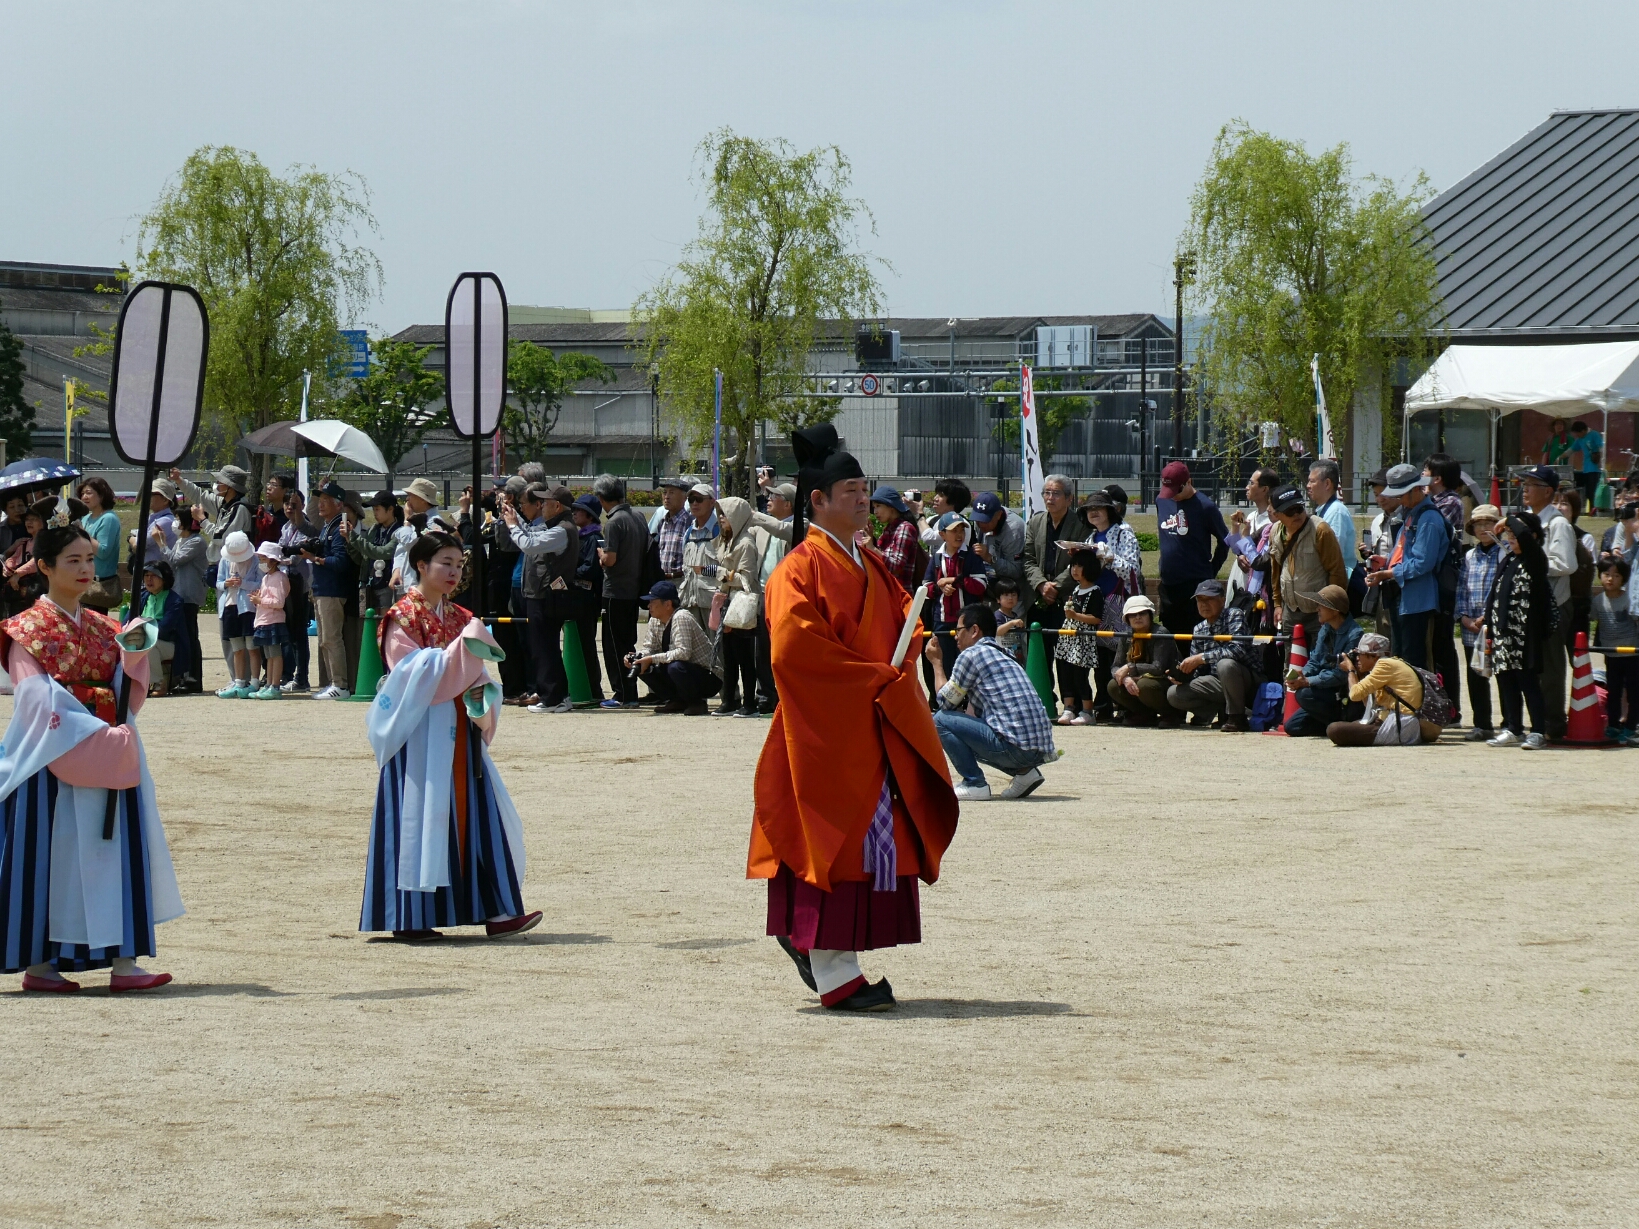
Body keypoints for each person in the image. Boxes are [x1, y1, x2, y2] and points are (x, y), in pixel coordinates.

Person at [752, 423, 959, 1013]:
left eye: (865, 490)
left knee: (872, 844)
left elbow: (902, 619)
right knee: (831, 844)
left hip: (870, 723)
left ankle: (832, 956)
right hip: (824, 729)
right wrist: (872, 677)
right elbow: (795, 652)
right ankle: (834, 970)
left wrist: (911, 641)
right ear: (817, 500)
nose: (864, 500)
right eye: (851, 491)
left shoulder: (869, 559)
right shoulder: (798, 569)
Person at [0, 522, 182, 992]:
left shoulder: (106, 626)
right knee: (52, 858)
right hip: (52, 758)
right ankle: (41, 965)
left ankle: (125, 962)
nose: (85, 570)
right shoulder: (25, 630)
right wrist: (94, 727)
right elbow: (35, 698)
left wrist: (133, 656)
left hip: (105, 746)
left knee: (115, 850)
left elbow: (125, 692)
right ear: (44, 567)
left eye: (89, 559)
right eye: (72, 561)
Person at [361, 531, 540, 942]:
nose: (454, 572)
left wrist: (482, 693)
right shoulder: (402, 617)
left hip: (461, 733)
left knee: (476, 818)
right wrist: (463, 654)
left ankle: (498, 910)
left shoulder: (461, 617)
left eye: (459, 565)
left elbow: (478, 675)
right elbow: (408, 676)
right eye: (445, 563)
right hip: (419, 736)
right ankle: (409, 916)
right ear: (420, 565)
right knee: (419, 817)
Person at [928, 603, 1058, 800]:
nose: (955, 635)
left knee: (940, 720)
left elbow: (945, 703)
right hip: (1038, 749)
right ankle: (1025, 773)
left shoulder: (971, 654)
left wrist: (937, 664)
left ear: (974, 631)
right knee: (962, 724)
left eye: (959, 630)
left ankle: (974, 783)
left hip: (1015, 747)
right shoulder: (1004, 652)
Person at [1365, 463, 1450, 676]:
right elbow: (1403, 553)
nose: (1399, 499)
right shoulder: (1411, 514)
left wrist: (1388, 573)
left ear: (1415, 490)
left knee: (1415, 663)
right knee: (1400, 658)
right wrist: (1384, 561)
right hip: (1402, 599)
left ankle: (1418, 708)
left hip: (1418, 601)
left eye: (1401, 494)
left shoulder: (1429, 519)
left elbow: (1423, 562)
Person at [1068, 488, 1142, 720]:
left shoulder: (1123, 532)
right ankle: (1103, 705)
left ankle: (1126, 706)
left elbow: (1133, 569)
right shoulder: (1090, 538)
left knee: (1121, 654)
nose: (1094, 513)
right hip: (1097, 602)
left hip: (1119, 601)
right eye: (1089, 509)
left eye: (1098, 508)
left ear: (1110, 511)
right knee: (1098, 656)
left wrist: (1108, 556)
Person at [504, 483, 578, 714]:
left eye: (545, 503)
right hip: (546, 595)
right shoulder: (556, 526)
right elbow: (532, 534)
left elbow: (529, 545)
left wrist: (513, 526)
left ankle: (554, 697)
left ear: (557, 506)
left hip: (548, 596)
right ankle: (556, 695)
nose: (541, 506)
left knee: (544, 648)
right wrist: (516, 519)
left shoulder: (562, 530)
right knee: (543, 647)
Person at [1485, 513, 1555, 749]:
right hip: (1503, 635)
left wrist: (1508, 519)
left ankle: (1537, 730)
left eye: (1515, 535)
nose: (1511, 538)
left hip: (1525, 636)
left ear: (1532, 537)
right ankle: (1513, 727)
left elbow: (1524, 534)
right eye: (1508, 535)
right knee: (1506, 682)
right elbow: (1495, 595)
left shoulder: (1535, 559)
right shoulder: (1508, 560)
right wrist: (1490, 628)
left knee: (1528, 682)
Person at [1518, 465, 1577, 739]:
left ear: (1549, 492)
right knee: (1529, 665)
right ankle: (1536, 722)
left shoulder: (1558, 524)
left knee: (1551, 666)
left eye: (1532, 484)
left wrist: (1533, 561)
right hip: (1528, 602)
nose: (1525, 489)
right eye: (1524, 483)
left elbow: (1566, 563)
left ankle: (1554, 723)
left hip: (1553, 603)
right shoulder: (1525, 520)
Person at [1266, 483, 1348, 661]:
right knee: (1291, 665)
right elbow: (1276, 571)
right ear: (1277, 515)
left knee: (1325, 662)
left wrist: (1331, 609)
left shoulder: (1320, 530)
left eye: (1299, 508)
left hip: (1320, 611)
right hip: (1291, 611)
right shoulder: (1274, 532)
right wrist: (1278, 604)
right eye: (1290, 511)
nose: (1297, 514)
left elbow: (1337, 572)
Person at [1166, 579, 1257, 732]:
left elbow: (1237, 650)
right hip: (1216, 683)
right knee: (1174, 694)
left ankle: (1237, 717)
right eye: (1200, 600)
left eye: (1210, 599)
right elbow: (1199, 672)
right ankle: (1215, 712)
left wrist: (1201, 658)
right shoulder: (1199, 629)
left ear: (1222, 600)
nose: (1204, 604)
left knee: (1225, 664)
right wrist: (1183, 675)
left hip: (1246, 679)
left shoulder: (1234, 615)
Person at [1326, 632, 1441, 746]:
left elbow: (1354, 695)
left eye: (1359, 654)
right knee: (1351, 726)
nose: (1357, 659)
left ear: (1373, 655)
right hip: (1398, 721)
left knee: (1334, 729)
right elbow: (1368, 705)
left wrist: (1351, 670)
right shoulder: (1390, 664)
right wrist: (1358, 674)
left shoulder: (1384, 665)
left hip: (1401, 725)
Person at [1155, 461, 1230, 634]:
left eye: (1176, 491)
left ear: (1189, 482)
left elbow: (1224, 540)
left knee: (1194, 635)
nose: (1172, 496)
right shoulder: (1162, 501)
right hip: (1168, 584)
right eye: (1169, 491)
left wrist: (1211, 570)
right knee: (1169, 636)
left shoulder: (1206, 507)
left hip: (1194, 584)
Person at [300, 480, 358, 700]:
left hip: (333, 590)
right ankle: (333, 682)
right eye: (320, 500)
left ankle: (340, 685)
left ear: (339, 504)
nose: (320, 505)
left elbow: (341, 562)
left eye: (326, 501)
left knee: (332, 638)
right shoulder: (327, 527)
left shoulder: (339, 527)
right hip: (322, 588)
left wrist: (315, 558)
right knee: (324, 639)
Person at [596, 475, 650, 708]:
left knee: (613, 645)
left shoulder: (614, 522)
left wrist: (600, 555)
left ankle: (622, 694)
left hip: (615, 591)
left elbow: (610, 559)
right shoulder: (638, 517)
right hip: (635, 589)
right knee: (628, 642)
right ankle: (631, 692)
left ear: (601, 498)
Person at [1022, 474, 1090, 655]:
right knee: (1039, 658)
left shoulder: (1081, 525)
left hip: (1067, 599)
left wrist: (1056, 587)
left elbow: (1081, 560)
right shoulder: (1035, 522)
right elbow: (1028, 559)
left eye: (1056, 494)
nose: (1050, 498)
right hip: (1038, 598)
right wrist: (1042, 584)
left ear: (1069, 499)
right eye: (1047, 493)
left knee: (1067, 660)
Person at [1283, 584, 1363, 736]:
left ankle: (1342, 722)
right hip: (1324, 690)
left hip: (1341, 692)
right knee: (1292, 727)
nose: (1317, 609)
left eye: (1321, 605)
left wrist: (1307, 682)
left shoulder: (1355, 635)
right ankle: (1331, 725)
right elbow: (1315, 660)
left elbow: (1341, 675)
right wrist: (1302, 675)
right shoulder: (1325, 629)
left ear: (1335, 610)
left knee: (1304, 694)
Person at [629, 580, 719, 715]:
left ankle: (697, 703)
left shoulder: (681, 617)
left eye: (653, 602)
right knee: (642, 665)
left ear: (668, 604)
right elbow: (649, 647)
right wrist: (639, 657)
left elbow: (683, 653)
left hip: (709, 677)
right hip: (686, 670)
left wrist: (651, 659)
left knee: (676, 667)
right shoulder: (654, 620)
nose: (649, 606)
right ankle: (676, 701)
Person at [1456, 504, 1504, 741]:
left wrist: (1488, 615)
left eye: (1488, 523)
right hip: (1471, 627)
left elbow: (1502, 587)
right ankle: (1482, 723)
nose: (1483, 529)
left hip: (1495, 624)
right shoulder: (1469, 556)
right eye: (1478, 525)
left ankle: (1509, 722)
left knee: (1504, 674)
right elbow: (1462, 589)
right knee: (1475, 676)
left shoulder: (1505, 553)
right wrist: (1463, 617)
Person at [712, 496, 763, 718]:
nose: (721, 518)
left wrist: (719, 573)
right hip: (727, 603)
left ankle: (750, 703)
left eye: (726, 514)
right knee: (729, 655)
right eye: (720, 513)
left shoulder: (746, 544)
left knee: (744, 656)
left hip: (742, 606)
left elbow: (746, 578)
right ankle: (730, 700)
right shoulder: (725, 541)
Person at [923, 510, 989, 671]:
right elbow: (926, 588)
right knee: (946, 666)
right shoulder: (937, 558)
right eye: (954, 531)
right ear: (942, 534)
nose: (959, 535)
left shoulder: (971, 556)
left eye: (961, 530)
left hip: (967, 622)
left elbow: (981, 585)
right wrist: (940, 587)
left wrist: (954, 580)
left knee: (968, 667)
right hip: (942, 621)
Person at [751, 483, 795, 712]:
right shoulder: (763, 527)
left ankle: (786, 695)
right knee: (762, 649)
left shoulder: (800, 525)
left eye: (774, 496)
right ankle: (765, 696)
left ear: (788, 503)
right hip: (762, 595)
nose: (768, 498)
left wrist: (753, 514)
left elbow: (781, 529)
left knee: (783, 650)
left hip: (785, 598)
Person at [1106, 595, 1183, 725]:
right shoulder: (1126, 636)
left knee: (1145, 685)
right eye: (1133, 615)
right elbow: (1115, 667)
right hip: (1137, 679)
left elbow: (1158, 668)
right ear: (1127, 619)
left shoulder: (1160, 633)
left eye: (1142, 613)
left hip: (1164, 681)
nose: (1137, 617)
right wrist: (1125, 678)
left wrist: (1131, 668)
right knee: (1113, 685)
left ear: (1150, 615)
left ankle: (1170, 714)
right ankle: (1144, 714)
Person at [1052, 554, 1102, 725]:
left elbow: (1096, 618)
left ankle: (1088, 711)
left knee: (1080, 676)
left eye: (1079, 566)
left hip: (1083, 639)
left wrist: (1076, 616)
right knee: (1065, 674)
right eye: (1073, 566)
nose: (1075, 570)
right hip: (1068, 637)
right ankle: (1068, 709)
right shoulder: (1075, 589)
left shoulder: (1095, 591)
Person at [214, 530, 264, 698]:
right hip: (230, 605)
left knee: (252, 647)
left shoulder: (256, 560)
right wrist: (227, 583)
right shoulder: (225, 560)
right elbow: (219, 582)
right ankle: (239, 681)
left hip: (248, 608)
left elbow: (260, 583)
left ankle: (255, 681)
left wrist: (243, 584)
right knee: (237, 648)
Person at [1592, 559, 1637, 742]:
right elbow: (1596, 620)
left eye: (1616, 575)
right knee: (1613, 691)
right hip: (1611, 653)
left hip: (1632, 652)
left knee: (1634, 691)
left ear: (1624, 579)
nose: (1610, 579)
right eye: (1607, 574)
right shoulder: (1597, 601)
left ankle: (1631, 726)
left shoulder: (1629, 599)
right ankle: (1613, 725)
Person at [275, 489, 315, 693]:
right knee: (289, 633)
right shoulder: (285, 527)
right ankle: (290, 674)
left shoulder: (305, 525)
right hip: (285, 582)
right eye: (287, 504)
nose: (289, 508)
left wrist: (282, 557)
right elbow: (281, 549)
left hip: (299, 583)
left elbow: (296, 555)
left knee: (299, 634)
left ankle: (302, 677)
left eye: (294, 504)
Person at [1306, 458, 1360, 605]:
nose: (1308, 486)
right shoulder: (1324, 510)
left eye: (1312, 481)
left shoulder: (1336, 512)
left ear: (1327, 484)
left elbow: (1334, 554)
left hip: (1337, 588)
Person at [569, 493, 605, 703]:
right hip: (578, 597)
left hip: (587, 598)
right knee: (579, 644)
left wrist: (570, 572)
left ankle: (594, 689)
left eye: (579, 510)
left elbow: (591, 569)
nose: (574, 513)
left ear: (590, 516)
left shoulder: (592, 538)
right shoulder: (580, 536)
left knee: (587, 645)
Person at [1226, 467, 1279, 608]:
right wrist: (1235, 528)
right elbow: (1237, 548)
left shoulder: (1274, 523)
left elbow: (1262, 559)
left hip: (1261, 583)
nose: (1247, 487)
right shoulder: (1251, 517)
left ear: (1264, 489)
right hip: (1242, 577)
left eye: (1251, 483)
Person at [1553, 487, 1597, 648]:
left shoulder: (1586, 538)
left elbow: (1587, 575)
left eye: (1564, 503)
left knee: (1578, 657)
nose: (1558, 507)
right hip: (1551, 605)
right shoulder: (1543, 535)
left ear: (1575, 510)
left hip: (1576, 606)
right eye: (1554, 502)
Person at [246, 540, 289, 700]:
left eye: (264, 559)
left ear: (273, 559)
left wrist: (260, 601)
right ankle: (269, 684)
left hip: (274, 620)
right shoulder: (266, 578)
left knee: (275, 654)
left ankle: (275, 686)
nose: (261, 562)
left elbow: (279, 602)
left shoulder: (278, 577)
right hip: (264, 620)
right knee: (269, 655)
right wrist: (259, 598)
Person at [137, 559, 184, 697]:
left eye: (154, 576)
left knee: (150, 645)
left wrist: (141, 627)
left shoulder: (175, 600)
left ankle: (159, 683)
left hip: (169, 644)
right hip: (143, 638)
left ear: (164, 579)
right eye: (146, 576)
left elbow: (164, 629)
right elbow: (127, 621)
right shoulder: (142, 597)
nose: (149, 580)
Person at [969, 490, 1027, 599]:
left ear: (999, 515)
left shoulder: (1014, 529)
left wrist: (990, 558)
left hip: (1012, 593)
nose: (980, 524)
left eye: (985, 520)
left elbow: (1016, 571)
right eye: (978, 520)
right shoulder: (980, 523)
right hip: (989, 587)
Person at [77, 476, 123, 613]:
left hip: (98, 587)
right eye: (82, 493)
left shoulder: (108, 518)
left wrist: (82, 532)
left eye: (89, 493)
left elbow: (103, 551)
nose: (84, 496)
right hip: (83, 583)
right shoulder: (85, 518)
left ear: (102, 495)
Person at [871, 485, 924, 595]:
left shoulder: (905, 528)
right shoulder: (889, 529)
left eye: (878, 506)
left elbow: (896, 567)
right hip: (889, 594)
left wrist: (872, 548)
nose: (875, 511)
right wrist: (871, 539)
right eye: (874, 507)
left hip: (900, 596)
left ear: (891, 507)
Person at [649, 476, 693, 583]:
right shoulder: (662, 522)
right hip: (662, 581)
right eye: (665, 492)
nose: (666, 497)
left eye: (672, 493)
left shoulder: (689, 523)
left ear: (684, 497)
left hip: (681, 582)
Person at [1568, 420, 1604, 506]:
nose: (1577, 436)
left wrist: (1601, 461)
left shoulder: (1594, 434)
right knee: (1588, 491)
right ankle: (1591, 509)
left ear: (1583, 430)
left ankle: (1595, 509)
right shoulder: (1580, 439)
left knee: (1593, 490)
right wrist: (1559, 457)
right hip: (1586, 469)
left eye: (1578, 433)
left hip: (1595, 469)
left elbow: (1601, 447)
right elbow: (1571, 450)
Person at [992, 577, 1027, 661]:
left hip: (1016, 655)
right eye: (1006, 595)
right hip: (1002, 656)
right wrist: (1011, 623)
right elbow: (997, 631)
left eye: (1013, 595)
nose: (1010, 598)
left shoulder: (1015, 615)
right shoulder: (998, 615)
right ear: (998, 599)